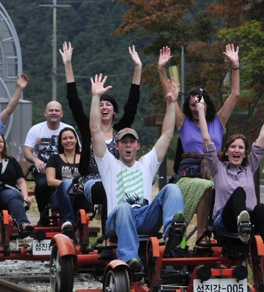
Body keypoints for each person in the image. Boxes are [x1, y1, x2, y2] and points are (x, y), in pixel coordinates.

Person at [89, 73, 185, 270]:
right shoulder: (109, 164)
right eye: (124, 142)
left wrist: (171, 103)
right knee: (124, 208)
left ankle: (172, 232)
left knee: (172, 189)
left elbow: (167, 134)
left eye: (132, 142)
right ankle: (130, 260)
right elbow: (95, 129)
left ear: (138, 146)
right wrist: (95, 98)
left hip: (144, 217)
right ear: (117, 146)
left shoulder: (146, 164)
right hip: (118, 220)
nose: (128, 145)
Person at [158, 45, 240, 242]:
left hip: (216, 170)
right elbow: (170, 96)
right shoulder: (183, 122)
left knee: (228, 187)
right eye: (193, 104)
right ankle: (200, 235)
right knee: (204, 186)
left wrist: (235, 66)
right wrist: (161, 69)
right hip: (191, 174)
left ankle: (227, 232)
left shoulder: (218, 121)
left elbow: (235, 95)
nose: (196, 108)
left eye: (200, 103)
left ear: (207, 104)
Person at [198, 91, 264, 273]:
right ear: (227, 151)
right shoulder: (218, 168)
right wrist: (200, 110)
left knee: (260, 208)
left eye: (241, 147)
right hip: (225, 222)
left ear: (246, 153)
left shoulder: (250, 167)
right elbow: (207, 139)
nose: (237, 150)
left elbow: (262, 137)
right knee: (239, 192)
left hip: (249, 219)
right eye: (233, 147)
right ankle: (242, 225)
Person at [60, 41, 141, 207]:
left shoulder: (120, 131)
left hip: (118, 178)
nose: (104, 107)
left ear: (114, 111)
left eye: (108, 104)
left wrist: (138, 68)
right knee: (106, 190)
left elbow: (132, 105)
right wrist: (68, 65)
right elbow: (73, 101)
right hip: (93, 180)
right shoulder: (88, 128)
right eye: (100, 104)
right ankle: (108, 230)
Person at [23, 101, 79, 220]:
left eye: (57, 111)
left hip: (64, 166)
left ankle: (72, 214)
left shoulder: (68, 129)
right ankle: (44, 216)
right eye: (51, 110)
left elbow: (78, 149)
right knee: (42, 185)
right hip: (43, 167)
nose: (54, 113)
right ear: (46, 113)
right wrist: (35, 160)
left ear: (61, 114)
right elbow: (27, 151)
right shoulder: (36, 129)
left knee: (74, 183)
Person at [45, 126, 81, 229]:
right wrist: (71, 184)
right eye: (65, 139)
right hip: (60, 197)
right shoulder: (54, 159)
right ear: (60, 142)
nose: (68, 140)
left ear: (76, 140)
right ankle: (68, 221)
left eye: (71, 138)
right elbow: (50, 181)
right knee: (66, 183)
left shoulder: (85, 158)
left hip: (80, 195)